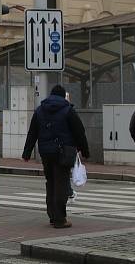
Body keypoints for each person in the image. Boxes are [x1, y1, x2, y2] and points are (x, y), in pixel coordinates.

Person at [22, 84, 89, 229]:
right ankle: (60, 219)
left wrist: (27, 152)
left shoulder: (40, 110)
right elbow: (79, 132)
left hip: (45, 153)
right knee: (61, 184)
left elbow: (32, 132)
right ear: (63, 95)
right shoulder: (68, 110)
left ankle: (52, 215)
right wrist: (85, 151)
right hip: (63, 152)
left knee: (50, 182)